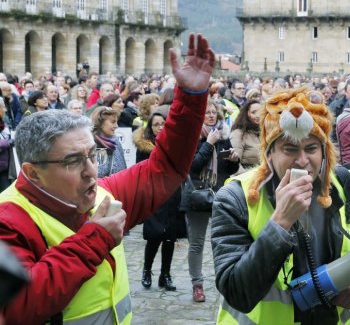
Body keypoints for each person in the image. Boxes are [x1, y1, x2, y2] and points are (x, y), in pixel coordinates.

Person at [0, 33, 214, 324]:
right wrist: (96, 239)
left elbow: (165, 168)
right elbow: (15, 308)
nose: (91, 170)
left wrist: (190, 99)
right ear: (32, 173)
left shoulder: (103, 193)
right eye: (73, 161)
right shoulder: (8, 218)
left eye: (92, 155)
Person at [211, 87, 350, 324]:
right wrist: (280, 223)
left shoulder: (349, 188)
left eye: (312, 148)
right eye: (290, 149)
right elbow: (237, 292)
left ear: (324, 151)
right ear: (269, 153)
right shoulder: (236, 198)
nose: (303, 160)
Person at [184, 99, 239, 303]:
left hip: (219, 194)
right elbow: (193, 166)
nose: (210, 115)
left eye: (213, 112)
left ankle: (224, 279)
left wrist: (234, 160)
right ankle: (197, 284)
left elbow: (228, 170)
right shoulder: (192, 137)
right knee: (197, 243)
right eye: (206, 112)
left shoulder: (223, 135)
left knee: (221, 241)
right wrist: (208, 144)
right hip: (198, 195)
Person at [133, 112, 186, 291]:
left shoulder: (174, 144)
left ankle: (166, 274)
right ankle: (147, 271)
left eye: (163, 123)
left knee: (170, 238)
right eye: (156, 124)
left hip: (172, 194)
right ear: (151, 127)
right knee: (154, 236)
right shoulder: (144, 147)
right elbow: (139, 172)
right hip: (154, 195)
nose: (160, 127)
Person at [90, 106, 127, 178]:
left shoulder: (115, 141)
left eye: (116, 122)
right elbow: (98, 174)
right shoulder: (92, 144)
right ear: (100, 123)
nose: (116, 126)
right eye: (113, 122)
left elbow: (124, 169)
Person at [230, 99, 262, 175]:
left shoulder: (266, 133)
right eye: (254, 112)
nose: (258, 115)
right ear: (247, 114)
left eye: (261, 112)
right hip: (246, 179)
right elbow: (234, 164)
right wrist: (250, 177)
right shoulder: (238, 134)